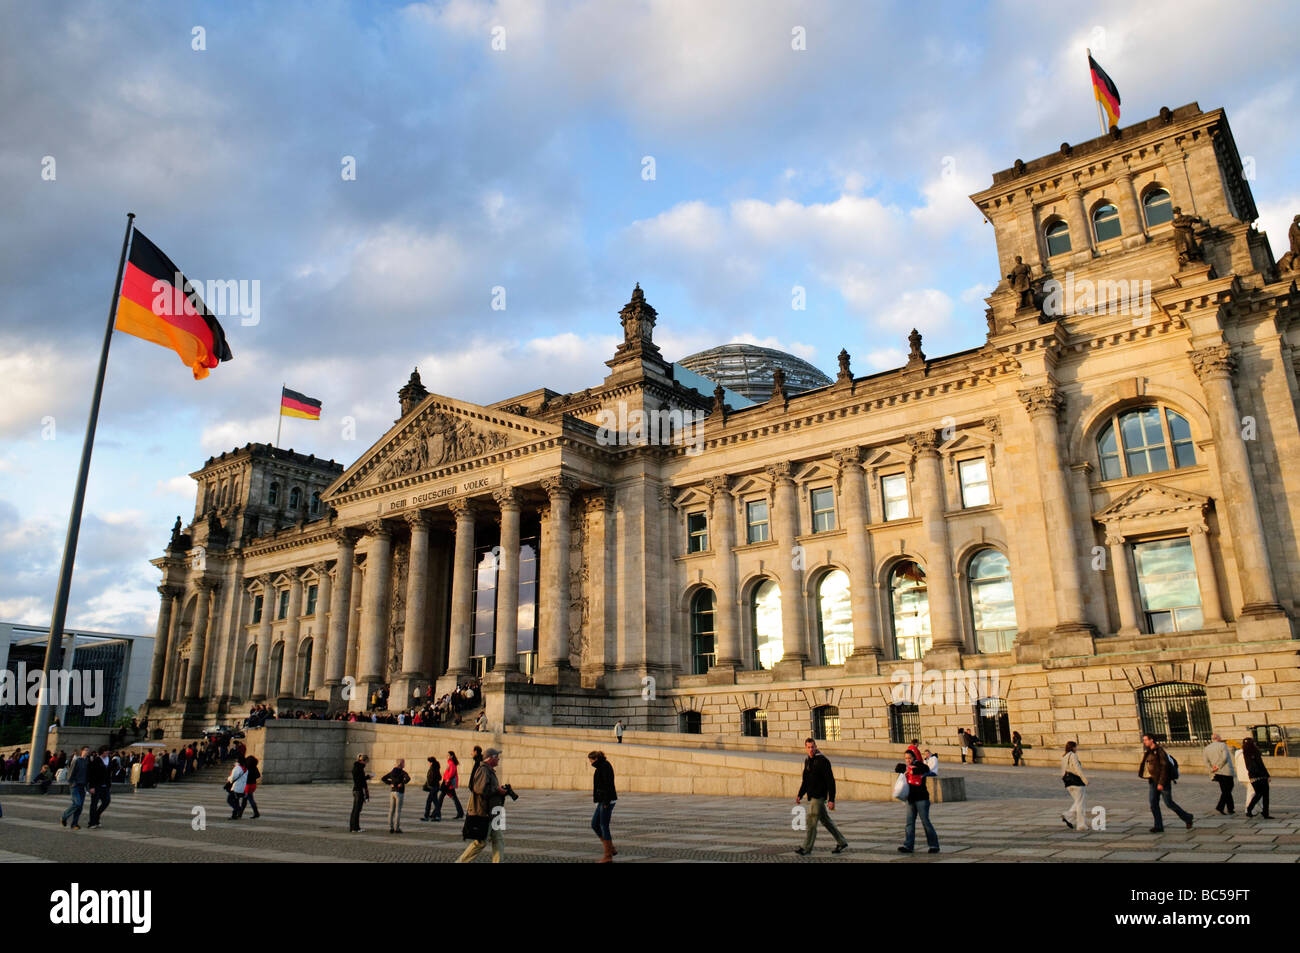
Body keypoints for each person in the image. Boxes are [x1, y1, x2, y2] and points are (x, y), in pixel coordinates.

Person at [794, 737, 849, 856]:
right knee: (826, 821)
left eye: (812, 747)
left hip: (819, 796)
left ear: (816, 746)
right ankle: (841, 841)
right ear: (805, 748)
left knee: (811, 820)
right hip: (812, 795)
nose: (811, 749)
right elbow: (805, 780)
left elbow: (830, 781)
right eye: (808, 747)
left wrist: (831, 799)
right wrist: (800, 794)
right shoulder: (808, 760)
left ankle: (806, 848)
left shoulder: (823, 761)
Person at [456, 747, 507, 863]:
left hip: (493, 812)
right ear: (491, 758)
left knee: (498, 839)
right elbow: (479, 789)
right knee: (480, 842)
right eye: (497, 757)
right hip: (484, 812)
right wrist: (497, 790)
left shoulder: (488, 770)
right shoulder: (483, 770)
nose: (499, 759)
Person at [1139, 733, 1193, 832]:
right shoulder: (1149, 751)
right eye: (1144, 740)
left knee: (1169, 803)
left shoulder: (1160, 751)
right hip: (1152, 781)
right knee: (1153, 803)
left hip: (1162, 781)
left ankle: (1187, 817)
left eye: (1146, 740)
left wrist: (1161, 783)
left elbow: (1165, 768)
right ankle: (1158, 826)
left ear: (1152, 740)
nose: (1144, 742)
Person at [897, 749, 939, 853]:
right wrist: (903, 770)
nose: (908, 760)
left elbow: (926, 768)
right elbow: (897, 769)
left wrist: (913, 770)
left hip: (921, 798)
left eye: (909, 758)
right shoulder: (906, 767)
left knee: (925, 822)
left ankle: (934, 846)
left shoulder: (919, 765)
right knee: (909, 823)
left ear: (914, 758)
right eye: (906, 758)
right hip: (910, 799)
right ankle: (908, 845)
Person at [589, 750, 618, 862]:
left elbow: (608, 784)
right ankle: (611, 849)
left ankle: (608, 856)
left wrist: (606, 802)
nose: (590, 763)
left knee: (603, 825)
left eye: (590, 760)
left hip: (607, 800)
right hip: (602, 800)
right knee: (594, 824)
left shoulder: (605, 766)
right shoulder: (600, 766)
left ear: (595, 758)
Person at [1202, 732, 1236, 815]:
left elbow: (1206, 761)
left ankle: (1230, 808)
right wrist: (1218, 766)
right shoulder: (1222, 745)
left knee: (1225, 790)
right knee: (1228, 789)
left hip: (1216, 772)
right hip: (1226, 771)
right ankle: (1220, 807)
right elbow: (1225, 757)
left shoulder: (1206, 748)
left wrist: (1212, 769)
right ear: (1218, 738)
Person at [60, 747, 91, 830]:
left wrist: (87, 787)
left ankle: (74, 824)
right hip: (75, 785)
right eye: (86, 750)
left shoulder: (87, 761)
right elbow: (70, 772)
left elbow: (87, 775)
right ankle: (64, 816)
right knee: (77, 803)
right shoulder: (76, 760)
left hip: (82, 786)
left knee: (80, 807)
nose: (87, 752)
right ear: (82, 751)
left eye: (88, 751)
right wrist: (71, 782)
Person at [1241, 737, 1271, 818]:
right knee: (1265, 795)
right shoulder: (1255, 752)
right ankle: (1265, 813)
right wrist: (1267, 775)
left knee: (1258, 794)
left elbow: (1249, 767)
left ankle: (1249, 809)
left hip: (1252, 777)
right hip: (1261, 776)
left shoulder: (1245, 753)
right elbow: (1261, 765)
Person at [1061, 741, 1088, 831]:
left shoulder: (1064, 756)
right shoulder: (1073, 755)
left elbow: (1062, 771)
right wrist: (1085, 780)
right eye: (1076, 747)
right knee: (1081, 804)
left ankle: (1068, 816)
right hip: (1077, 782)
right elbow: (1077, 769)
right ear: (1072, 748)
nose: (1077, 749)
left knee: (1077, 801)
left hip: (1068, 783)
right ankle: (1081, 825)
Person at [381, 758, 410, 833]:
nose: (404, 764)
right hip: (399, 792)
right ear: (401, 764)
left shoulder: (392, 772)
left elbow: (383, 778)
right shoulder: (403, 772)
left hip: (392, 792)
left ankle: (390, 827)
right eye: (404, 763)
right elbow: (408, 778)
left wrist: (390, 783)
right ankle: (396, 828)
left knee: (391, 810)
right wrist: (402, 783)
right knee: (398, 811)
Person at [433, 751, 463, 821]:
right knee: (453, 798)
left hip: (447, 784)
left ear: (451, 756)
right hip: (448, 784)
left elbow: (452, 772)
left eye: (448, 755)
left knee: (441, 798)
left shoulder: (451, 763)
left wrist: (447, 779)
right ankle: (460, 813)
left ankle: (435, 813)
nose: (447, 756)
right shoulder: (450, 763)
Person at [87, 747, 112, 829]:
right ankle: (92, 822)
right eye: (106, 752)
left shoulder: (109, 760)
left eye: (108, 752)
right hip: (97, 785)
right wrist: (91, 786)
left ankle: (96, 816)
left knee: (106, 801)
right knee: (94, 804)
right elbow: (91, 774)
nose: (107, 754)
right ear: (102, 752)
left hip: (106, 785)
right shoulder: (96, 760)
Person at [349, 754, 371, 832]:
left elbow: (359, 779)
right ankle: (355, 828)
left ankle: (352, 827)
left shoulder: (356, 767)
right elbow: (360, 780)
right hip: (359, 790)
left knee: (355, 809)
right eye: (366, 762)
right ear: (362, 761)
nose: (366, 764)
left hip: (356, 789)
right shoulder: (359, 768)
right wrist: (367, 778)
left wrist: (366, 777)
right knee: (357, 810)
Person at [420, 754, 442, 822]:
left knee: (431, 802)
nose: (428, 764)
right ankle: (430, 816)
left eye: (429, 762)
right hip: (435, 787)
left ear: (431, 762)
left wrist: (430, 783)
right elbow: (440, 777)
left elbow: (433, 778)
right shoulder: (436, 768)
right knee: (433, 802)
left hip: (433, 787)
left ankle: (433, 816)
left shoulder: (433, 768)